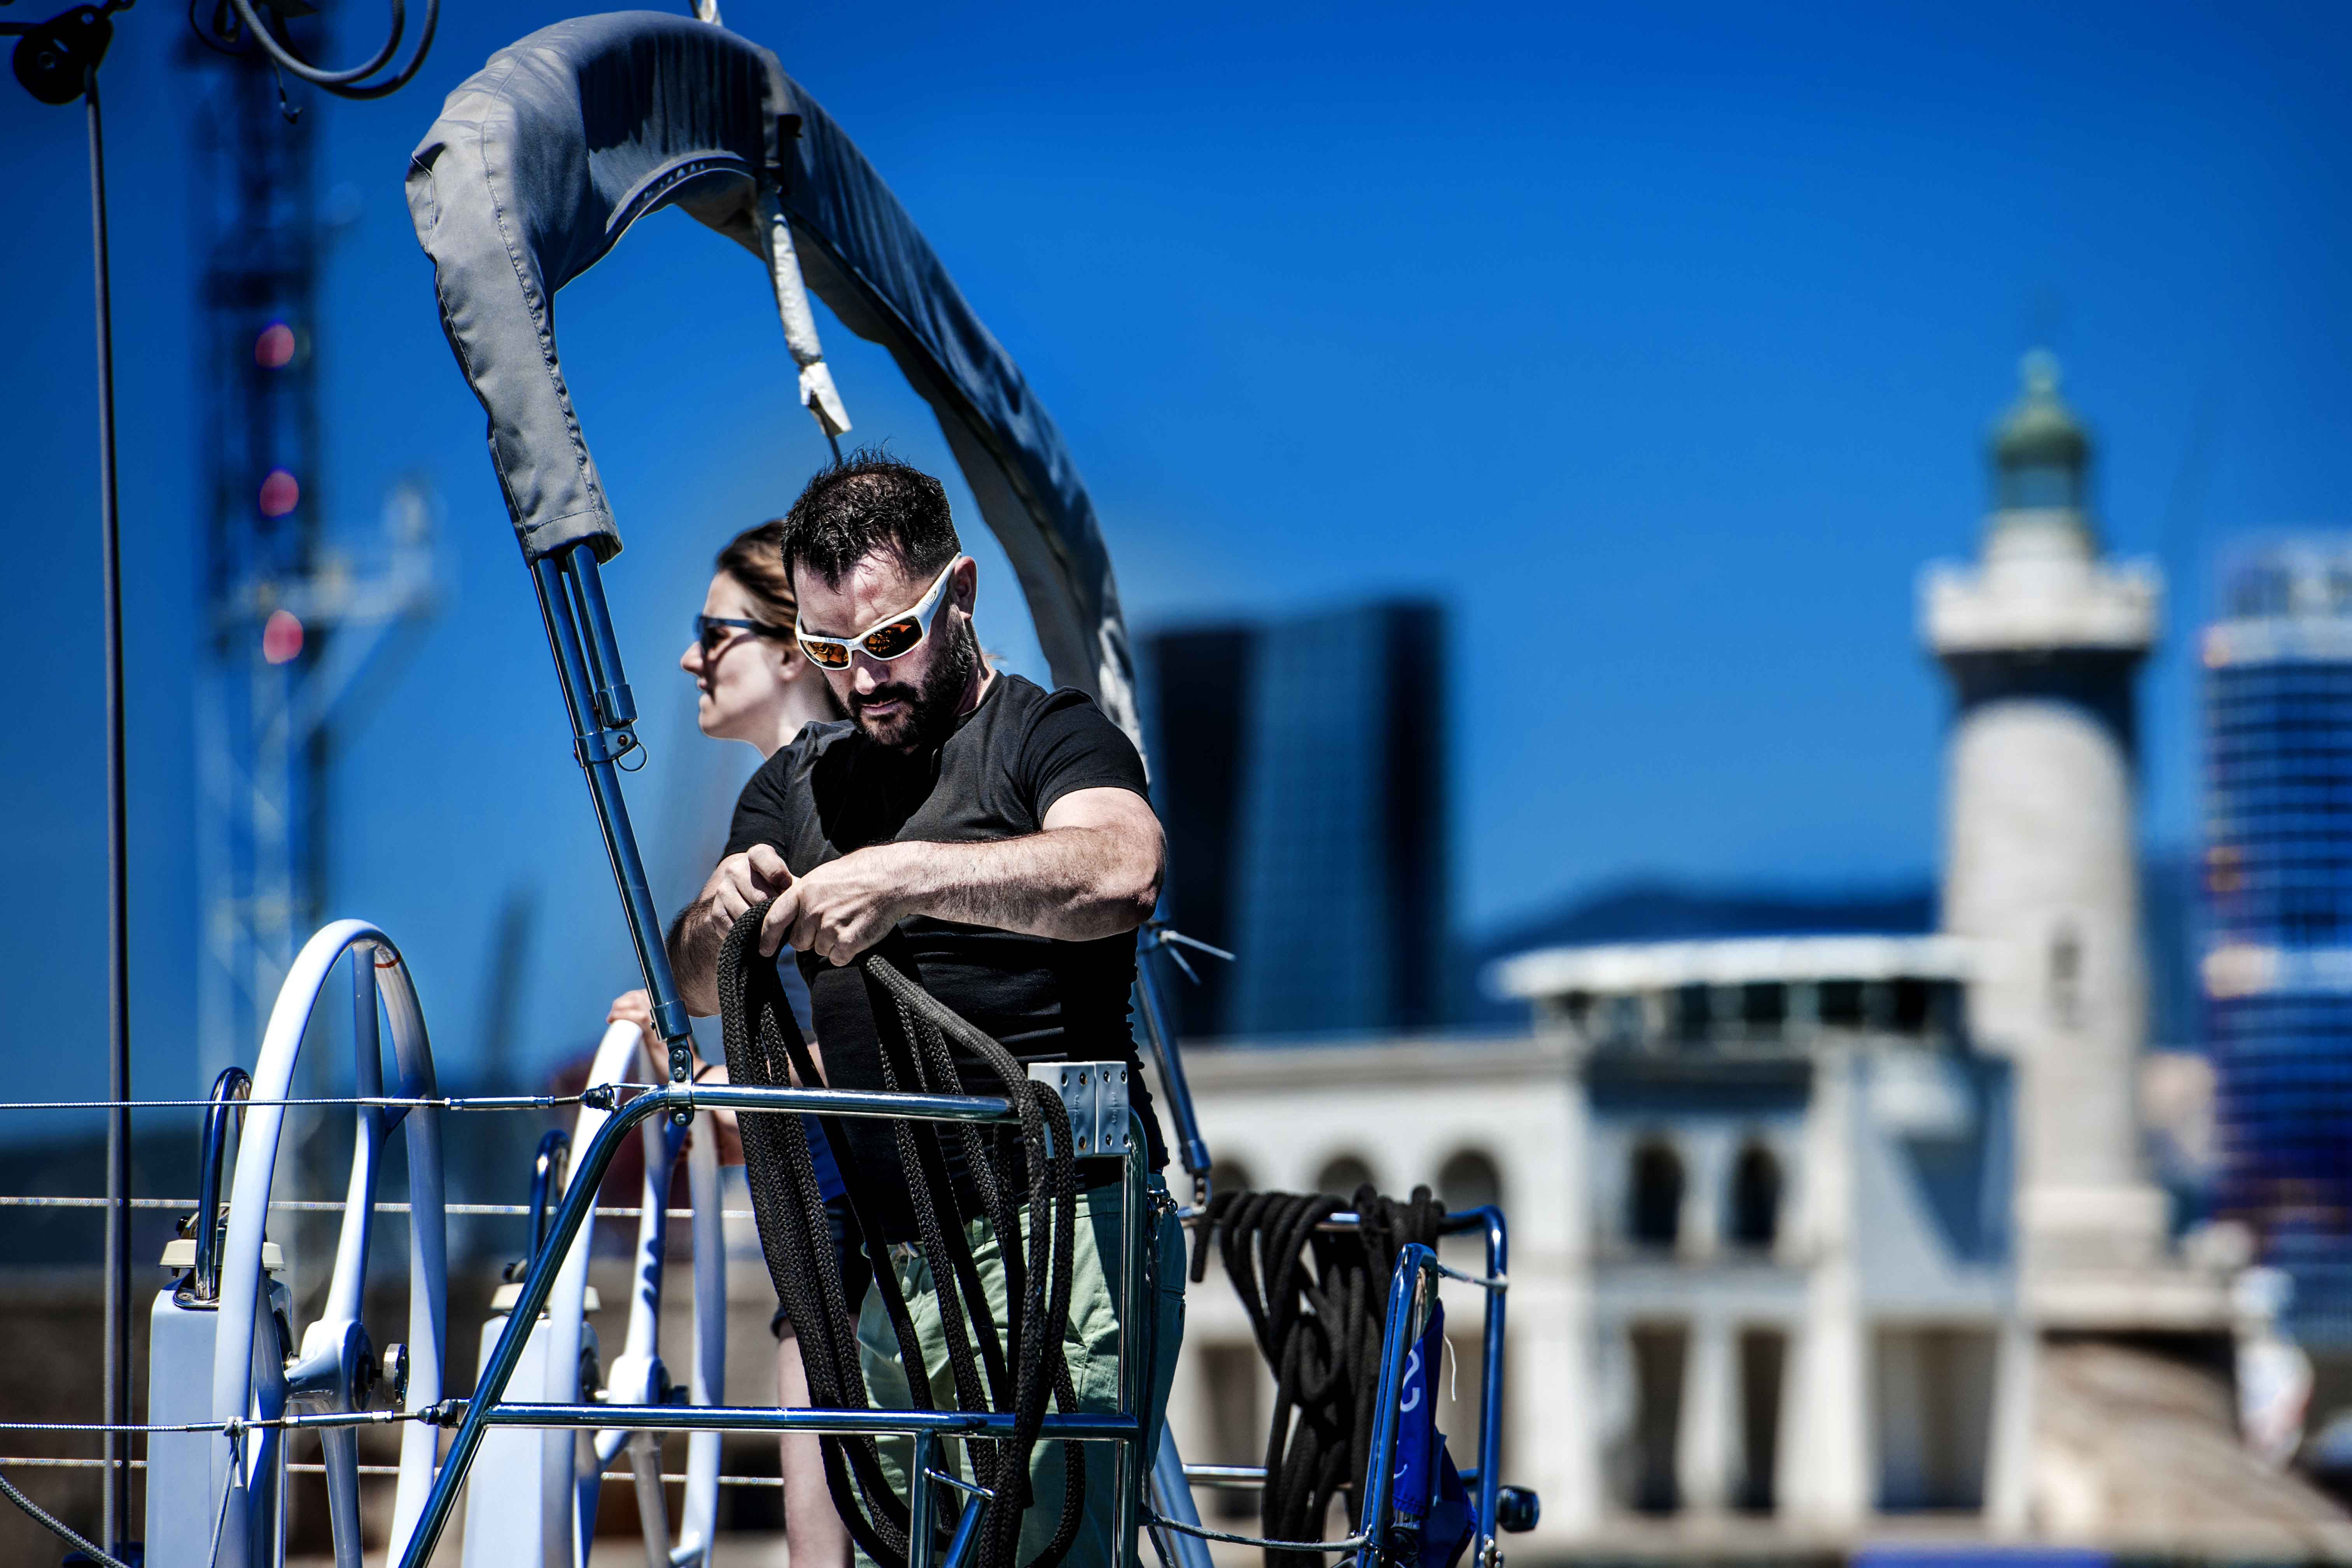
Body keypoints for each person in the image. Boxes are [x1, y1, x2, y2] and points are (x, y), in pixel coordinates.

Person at [665, 453, 1186, 1568]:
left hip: (1063, 1236)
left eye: (889, 640)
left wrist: (903, 877)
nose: (863, 682)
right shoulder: (795, 788)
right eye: (830, 653)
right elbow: (701, 983)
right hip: (901, 1276)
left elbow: (1124, 869)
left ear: (962, 592)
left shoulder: (1054, 738)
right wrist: (721, 911)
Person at [606, 519, 859, 1568]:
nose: (687, 658)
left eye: (714, 633)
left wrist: (712, 1085)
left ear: (794, 648)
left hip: (865, 1259)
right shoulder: (786, 799)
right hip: (831, 1247)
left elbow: (880, 1049)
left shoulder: (836, 795)